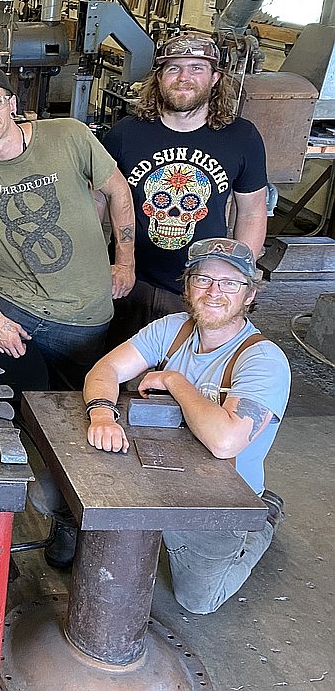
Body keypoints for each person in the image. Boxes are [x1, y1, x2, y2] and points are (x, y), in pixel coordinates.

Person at [79, 237, 289, 614]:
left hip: (222, 499)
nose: (213, 292)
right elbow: (106, 369)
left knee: (197, 601)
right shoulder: (174, 328)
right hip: (160, 473)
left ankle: (264, 518)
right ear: (187, 286)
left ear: (249, 294)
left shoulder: (263, 360)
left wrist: (174, 381)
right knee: (75, 507)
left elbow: (225, 442)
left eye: (229, 283)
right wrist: (101, 413)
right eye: (203, 279)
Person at [0, 66, 136, 393]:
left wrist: (125, 263)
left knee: (77, 403)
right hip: (12, 299)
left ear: (12, 104)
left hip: (81, 312)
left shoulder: (69, 135)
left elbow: (118, 191)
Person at [103, 33, 268, 340]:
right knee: (116, 369)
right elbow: (97, 202)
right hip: (129, 282)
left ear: (215, 77)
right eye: (174, 68)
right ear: (159, 77)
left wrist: (240, 275)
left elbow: (252, 214)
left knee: (184, 376)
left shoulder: (242, 137)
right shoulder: (125, 133)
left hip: (200, 288)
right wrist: (103, 266)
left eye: (196, 68)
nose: (184, 78)